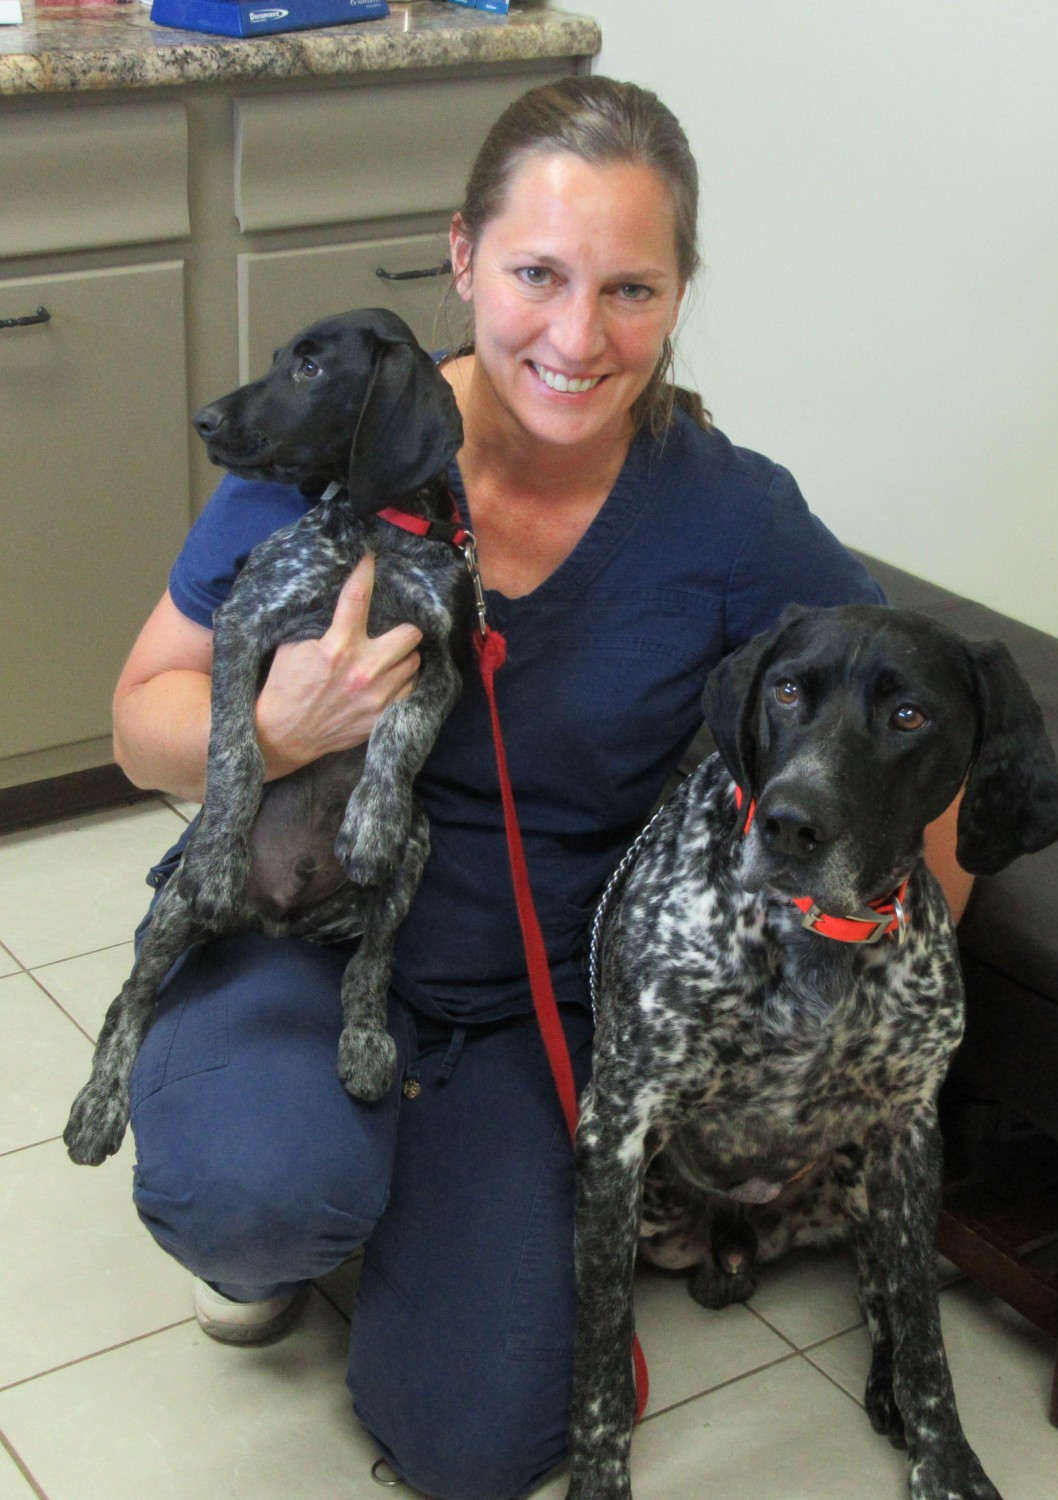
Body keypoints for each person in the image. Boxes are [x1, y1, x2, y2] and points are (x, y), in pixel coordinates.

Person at [113, 77, 970, 1500]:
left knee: (489, 1445)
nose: (577, 338)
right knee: (254, 1193)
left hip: (527, 999)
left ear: (681, 292)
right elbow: (140, 713)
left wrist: (890, 982)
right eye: (535, 276)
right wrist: (272, 729)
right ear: (461, 259)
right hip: (300, 934)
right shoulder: (341, 441)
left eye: (630, 289)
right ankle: (294, 1221)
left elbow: (917, 718)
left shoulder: (728, 511)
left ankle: (411, 1199)